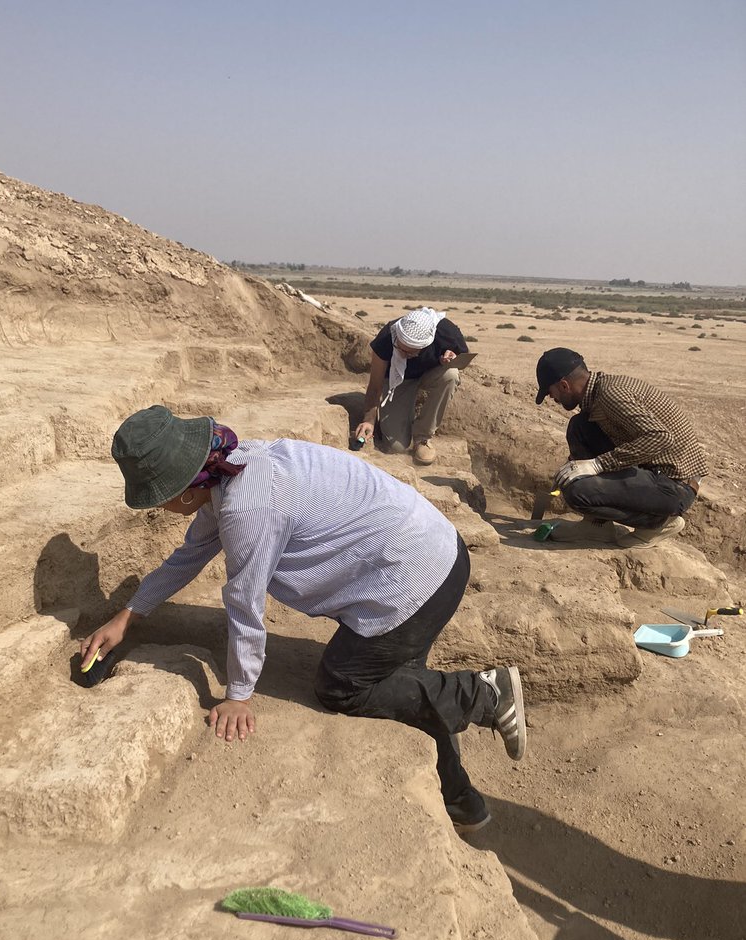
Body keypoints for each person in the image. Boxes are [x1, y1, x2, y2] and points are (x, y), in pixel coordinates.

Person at [81, 406, 527, 833]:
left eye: (157, 500)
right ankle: (461, 801)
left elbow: (244, 603)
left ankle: (485, 695)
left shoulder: (247, 507)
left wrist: (239, 695)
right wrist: (128, 615)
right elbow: (190, 555)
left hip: (413, 579)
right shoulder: (231, 467)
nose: (159, 509)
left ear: (184, 491)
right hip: (433, 554)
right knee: (402, 684)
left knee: (342, 685)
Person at [535, 347, 706, 547]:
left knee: (578, 492)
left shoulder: (610, 396)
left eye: (550, 392)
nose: (551, 398)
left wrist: (597, 465)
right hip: (656, 472)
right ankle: (596, 527)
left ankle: (660, 523)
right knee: (580, 426)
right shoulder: (599, 392)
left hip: (675, 486)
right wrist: (575, 466)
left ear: (564, 385)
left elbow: (660, 437)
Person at [354, 307, 470, 466]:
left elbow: (463, 360)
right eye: (400, 348)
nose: (403, 354)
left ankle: (422, 438)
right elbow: (375, 385)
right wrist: (369, 420)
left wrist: (450, 358)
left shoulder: (447, 333)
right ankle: (389, 423)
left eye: (409, 352)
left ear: (426, 344)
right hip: (398, 381)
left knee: (451, 375)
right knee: (396, 447)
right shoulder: (386, 338)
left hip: (430, 373)